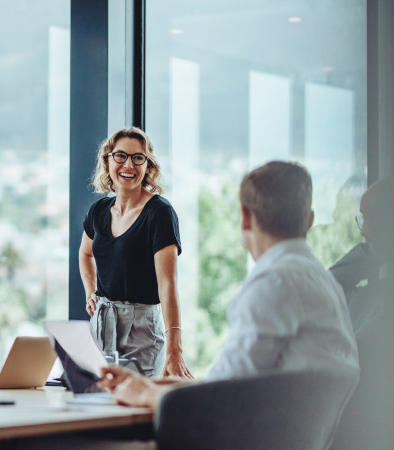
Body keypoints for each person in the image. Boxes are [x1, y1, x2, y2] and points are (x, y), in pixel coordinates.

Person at [99, 161, 359, 410]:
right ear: (309, 220)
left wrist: (144, 393)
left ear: (245, 218)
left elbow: (220, 400)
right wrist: (152, 384)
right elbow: (234, 381)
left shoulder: (274, 282)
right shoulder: (323, 281)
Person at [79, 126, 191, 378]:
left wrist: (175, 349)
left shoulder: (159, 213)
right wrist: (90, 292)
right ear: (107, 161)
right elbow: (85, 254)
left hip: (142, 330)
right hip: (101, 324)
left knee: (135, 410)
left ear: (148, 166)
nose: (128, 165)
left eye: (137, 158)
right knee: (98, 406)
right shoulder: (98, 211)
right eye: (120, 156)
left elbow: (168, 284)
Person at [330, 177, 394, 335]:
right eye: (363, 220)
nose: (362, 231)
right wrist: (371, 252)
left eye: (371, 219)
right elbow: (326, 289)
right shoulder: (376, 292)